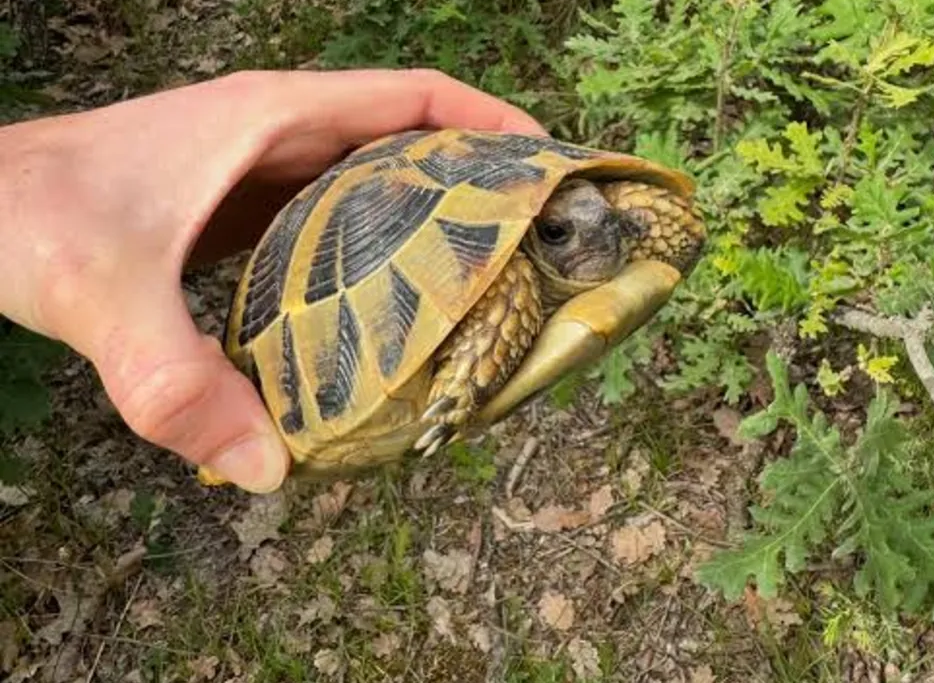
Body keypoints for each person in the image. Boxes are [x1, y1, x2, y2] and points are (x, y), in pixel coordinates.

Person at [0, 68, 544, 493]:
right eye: (559, 233)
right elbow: (505, 278)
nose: (585, 232)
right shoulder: (514, 279)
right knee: (511, 280)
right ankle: (463, 377)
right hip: (347, 266)